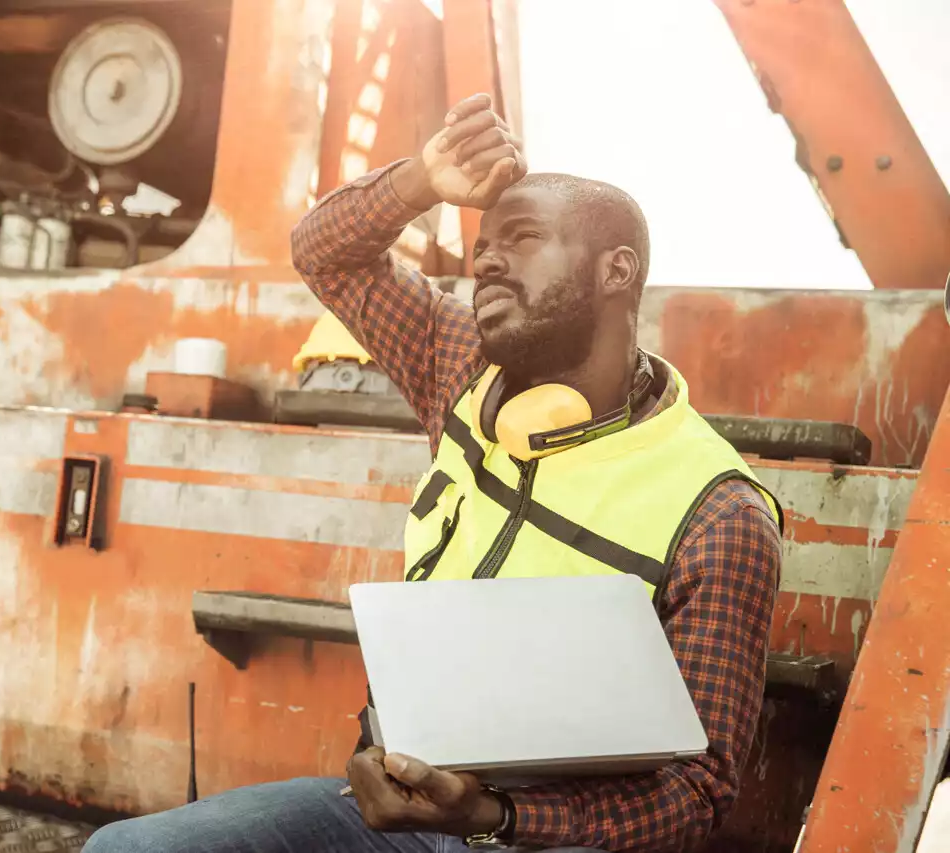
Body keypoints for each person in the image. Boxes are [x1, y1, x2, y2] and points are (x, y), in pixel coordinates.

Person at [82, 94, 783, 853]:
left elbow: (698, 791)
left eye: (521, 238)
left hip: (550, 838)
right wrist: (421, 179)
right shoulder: (460, 369)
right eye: (484, 243)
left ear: (618, 271)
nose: (486, 258)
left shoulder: (718, 512)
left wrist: (496, 816)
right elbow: (326, 252)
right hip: (403, 812)